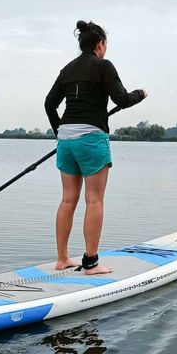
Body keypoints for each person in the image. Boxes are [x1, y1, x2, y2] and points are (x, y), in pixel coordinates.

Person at [44, 20, 147, 275]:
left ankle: (62, 259)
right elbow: (121, 99)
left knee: (68, 200)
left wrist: (60, 132)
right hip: (91, 139)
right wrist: (140, 93)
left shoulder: (67, 69)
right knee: (94, 200)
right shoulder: (103, 66)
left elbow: (49, 104)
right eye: (105, 45)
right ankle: (91, 263)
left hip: (66, 141)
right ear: (100, 44)